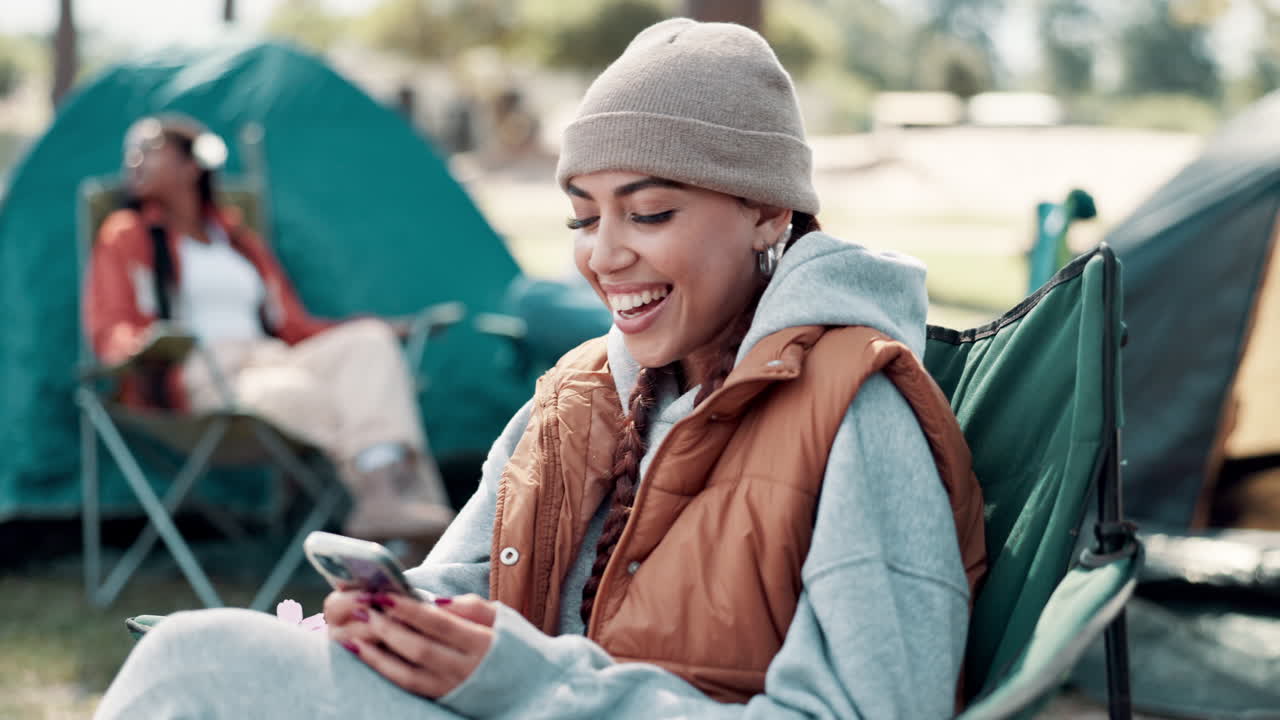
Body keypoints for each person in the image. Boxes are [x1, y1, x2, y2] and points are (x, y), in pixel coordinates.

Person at [95, 19, 986, 719]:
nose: (603, 256)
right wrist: (402, 624)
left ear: (766, 213)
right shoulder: (578, 396)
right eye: (582, 218)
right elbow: (459, 588)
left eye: (650, 213)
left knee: (192, 665)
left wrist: (528, 683)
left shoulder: (854, 413)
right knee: (203, 657)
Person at [83, 114, 455, 547]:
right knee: (323, 393)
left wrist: (378, 326)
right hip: (204, 369)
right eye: (131, 152)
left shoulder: (238, 241)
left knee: (370, 345)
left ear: (191, 166)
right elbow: (111, 323)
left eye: (148, 149)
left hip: (270, 355)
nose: (133, 160)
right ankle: (407, 531)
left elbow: (290, 324)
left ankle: (388, 509)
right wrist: (144, 347)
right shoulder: (127, 234)